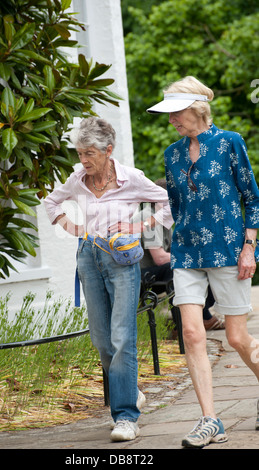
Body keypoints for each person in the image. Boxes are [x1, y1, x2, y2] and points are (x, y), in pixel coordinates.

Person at [43, 117, 173, 442]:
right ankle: (131, 389)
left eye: (89, 153)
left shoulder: (131, 179)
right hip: (88, 257)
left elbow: (168, 202)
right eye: (79, 153)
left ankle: (126, 416)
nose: (83, 161)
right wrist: (70, 227)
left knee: (122, 337)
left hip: (121, 261)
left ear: (108, 150)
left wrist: (138, 227)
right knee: (102, 341)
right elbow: (50, 202)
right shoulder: (78, 178)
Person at [147, 76, 259, 448]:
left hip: (228, 250)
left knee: (236, 338)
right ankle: (210, 420)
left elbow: (252, 199)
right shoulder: (171, 154)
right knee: (192, 333)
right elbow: (174, 208)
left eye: (175, 113)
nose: (171, 121)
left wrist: (249, 247)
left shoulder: (230, 143)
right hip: (187, 253)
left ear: (197, 109)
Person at [139, 180, 225, 332]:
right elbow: (159, 258)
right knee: (175, 269)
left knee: (204, 264)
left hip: (154, 272)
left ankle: (197, 317)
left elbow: (176, 249)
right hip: (140, 276)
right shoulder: (148, 217)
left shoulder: (163, 217)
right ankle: (188, 324)